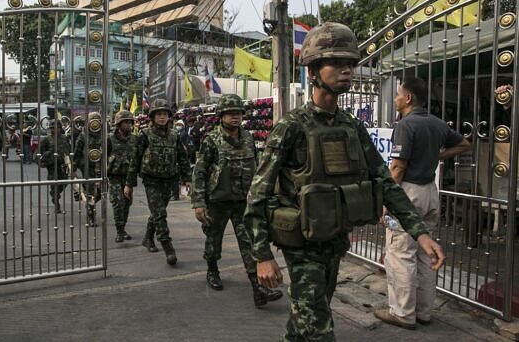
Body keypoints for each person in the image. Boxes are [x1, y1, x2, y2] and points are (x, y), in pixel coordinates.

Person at [244, 22, 446, 341]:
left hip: (334, 244)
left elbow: (386, 182)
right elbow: (257, 195)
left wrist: (420, 234)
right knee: (321, 330)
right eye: (337, 63)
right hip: (302, 248)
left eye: (350, 63)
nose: (347, 71)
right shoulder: (291, 127)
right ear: (312, 71)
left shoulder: (352, 127)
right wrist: (262, 255)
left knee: (306, 321)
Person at [374, 77, 471, 329]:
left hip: (408, 194)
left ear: (408, 98)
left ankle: (403, 313)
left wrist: (385, 202)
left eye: (397, 94)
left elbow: (397, 168)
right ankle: (424, 312)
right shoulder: (437, 124)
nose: (395, 98)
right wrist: (438, 155)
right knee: (425, 254)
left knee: (400, 253)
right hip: (430, 192)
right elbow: (464, 143)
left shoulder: (406, 125)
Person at [191, 94, 283, 308]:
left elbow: (259, 166)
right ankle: (212, 270)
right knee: (213, 241)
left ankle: (258, 289)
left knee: (249, 243)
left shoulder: (249, 138)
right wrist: (198, 202)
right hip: (218, 201)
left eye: (238, 113)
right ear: (221, 115)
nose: (235, 117)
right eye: (230, 113)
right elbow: (200, 171)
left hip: (243, 202)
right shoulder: (211, 139)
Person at [126, 99, 191, 265]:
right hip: (151, 181)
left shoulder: (174, 135)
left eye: (165, 114)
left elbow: (183, 158)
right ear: (152, 116)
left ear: (169, 116)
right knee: (160, 214)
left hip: (169, 180)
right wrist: (129, 184)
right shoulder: (144, 135)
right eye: (159, 114)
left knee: (157, 212)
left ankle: (148, 238)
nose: (162, 117)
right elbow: (135, 160)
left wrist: (187, 179)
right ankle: (168, 247)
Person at [107, 110, 136, 242]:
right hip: (113, 176)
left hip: (128, 177)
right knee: (117, 203)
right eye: (126, 122)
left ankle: (122, 228)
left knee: (126, 203)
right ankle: (119, 231)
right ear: (119, 124)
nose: (129, 125)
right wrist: (98, 176)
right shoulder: (110, 139)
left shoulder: (135, 139)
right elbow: (101, 158)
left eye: (130, 122)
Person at [73, 112, 104, 228]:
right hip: (87, 167)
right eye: (93, 120)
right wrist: (74, 169)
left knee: (102, 193)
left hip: (101, 168)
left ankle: (87, 200)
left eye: (97, 120)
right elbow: (77, 153)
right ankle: (91, 216)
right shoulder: (83, 135)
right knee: (91, 191)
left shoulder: (103, 135)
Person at [39, 119, 71, 213]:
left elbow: (69, 150)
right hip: (52, 166)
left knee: (64, 182)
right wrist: (41, 162)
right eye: (51, 128)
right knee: (54, 185)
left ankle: (55, 194)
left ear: (60, 128)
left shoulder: (64, 138)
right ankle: (56, 203)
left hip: (63, 165)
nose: (53, 130)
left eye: (56, 127)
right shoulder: (46, 139)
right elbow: (38, 153)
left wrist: (71, 162)